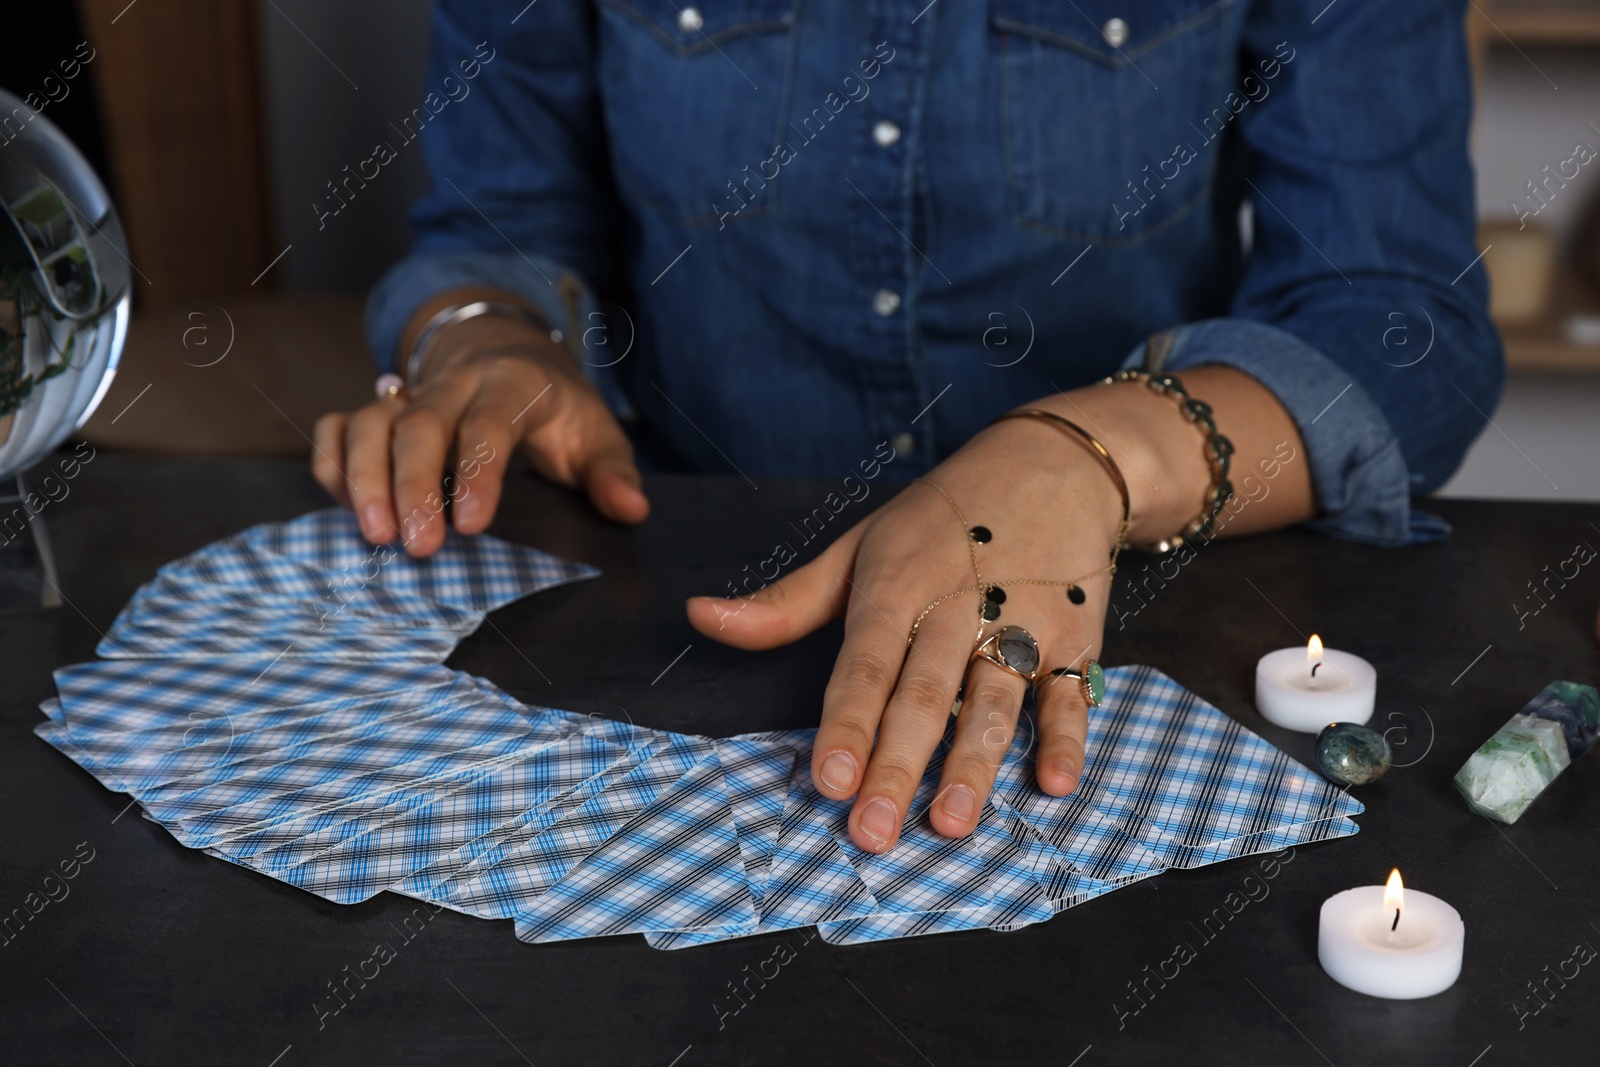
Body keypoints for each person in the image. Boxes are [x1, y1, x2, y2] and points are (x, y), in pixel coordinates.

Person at [312, 1, 1502, 856]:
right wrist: (481, 333)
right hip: (689, 618)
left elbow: (1403, 322)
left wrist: (1093, 455)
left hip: (1142, 632)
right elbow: (499, 215)